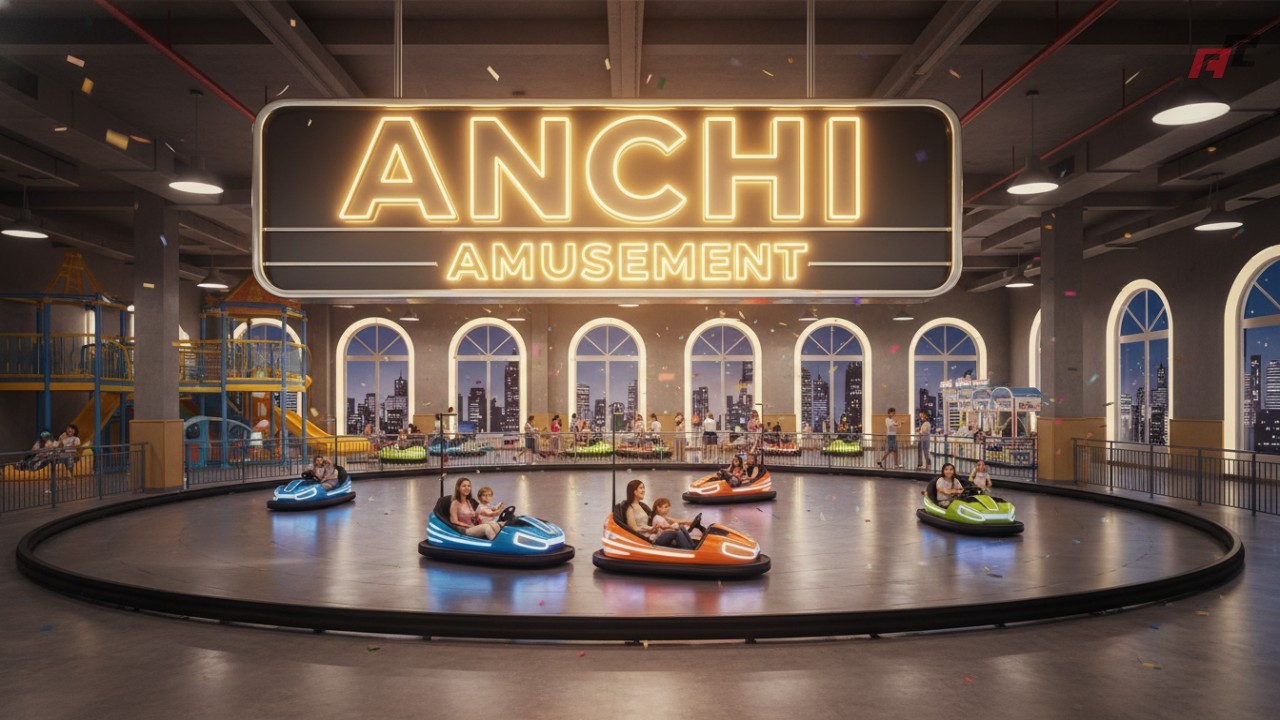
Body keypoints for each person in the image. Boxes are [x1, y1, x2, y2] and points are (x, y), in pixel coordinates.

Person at [622, 480, 692, 549]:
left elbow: (664, 518)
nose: (643, 490)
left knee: (680, 528)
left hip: (651, 535)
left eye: (643, 488)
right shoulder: (630, 509)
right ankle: (690, 552)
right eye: (641, 488)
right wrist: (650, 529)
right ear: (634, 491)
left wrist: (653, 529)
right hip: (648, 540)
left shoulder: (641, 506)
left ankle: (693, 547)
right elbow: (635, 530)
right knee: (675, 533)